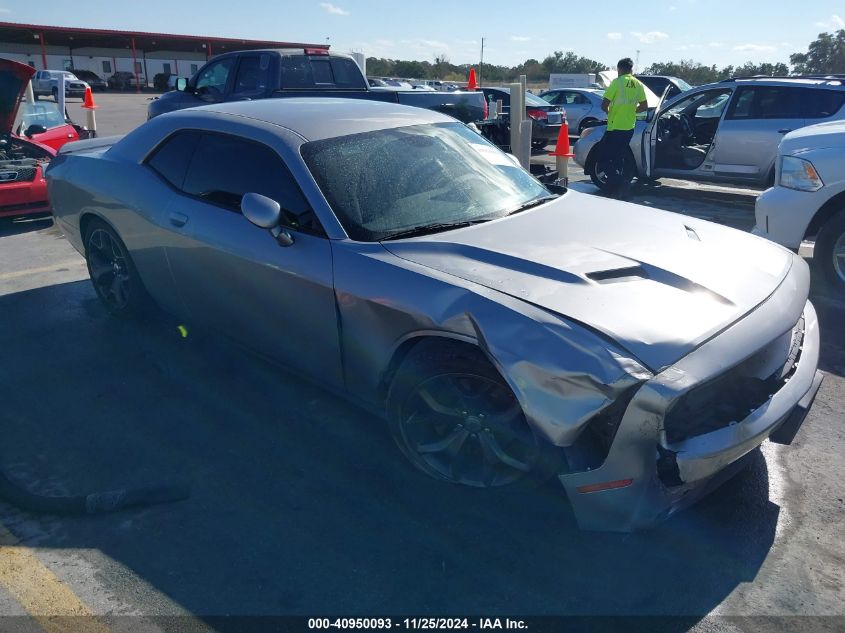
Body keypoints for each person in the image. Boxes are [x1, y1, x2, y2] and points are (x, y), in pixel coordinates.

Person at [600, 58, 648, 196]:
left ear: (619, 69)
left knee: (603, 158)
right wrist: (631, 112)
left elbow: (604, 105)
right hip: (629, 127)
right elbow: (644, 106)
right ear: (631, 69)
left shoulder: (617, 82)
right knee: (618, 158)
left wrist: (612, 113)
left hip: (614, 128)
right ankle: (613, 188)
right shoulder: (638, 84)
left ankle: (621, 182)